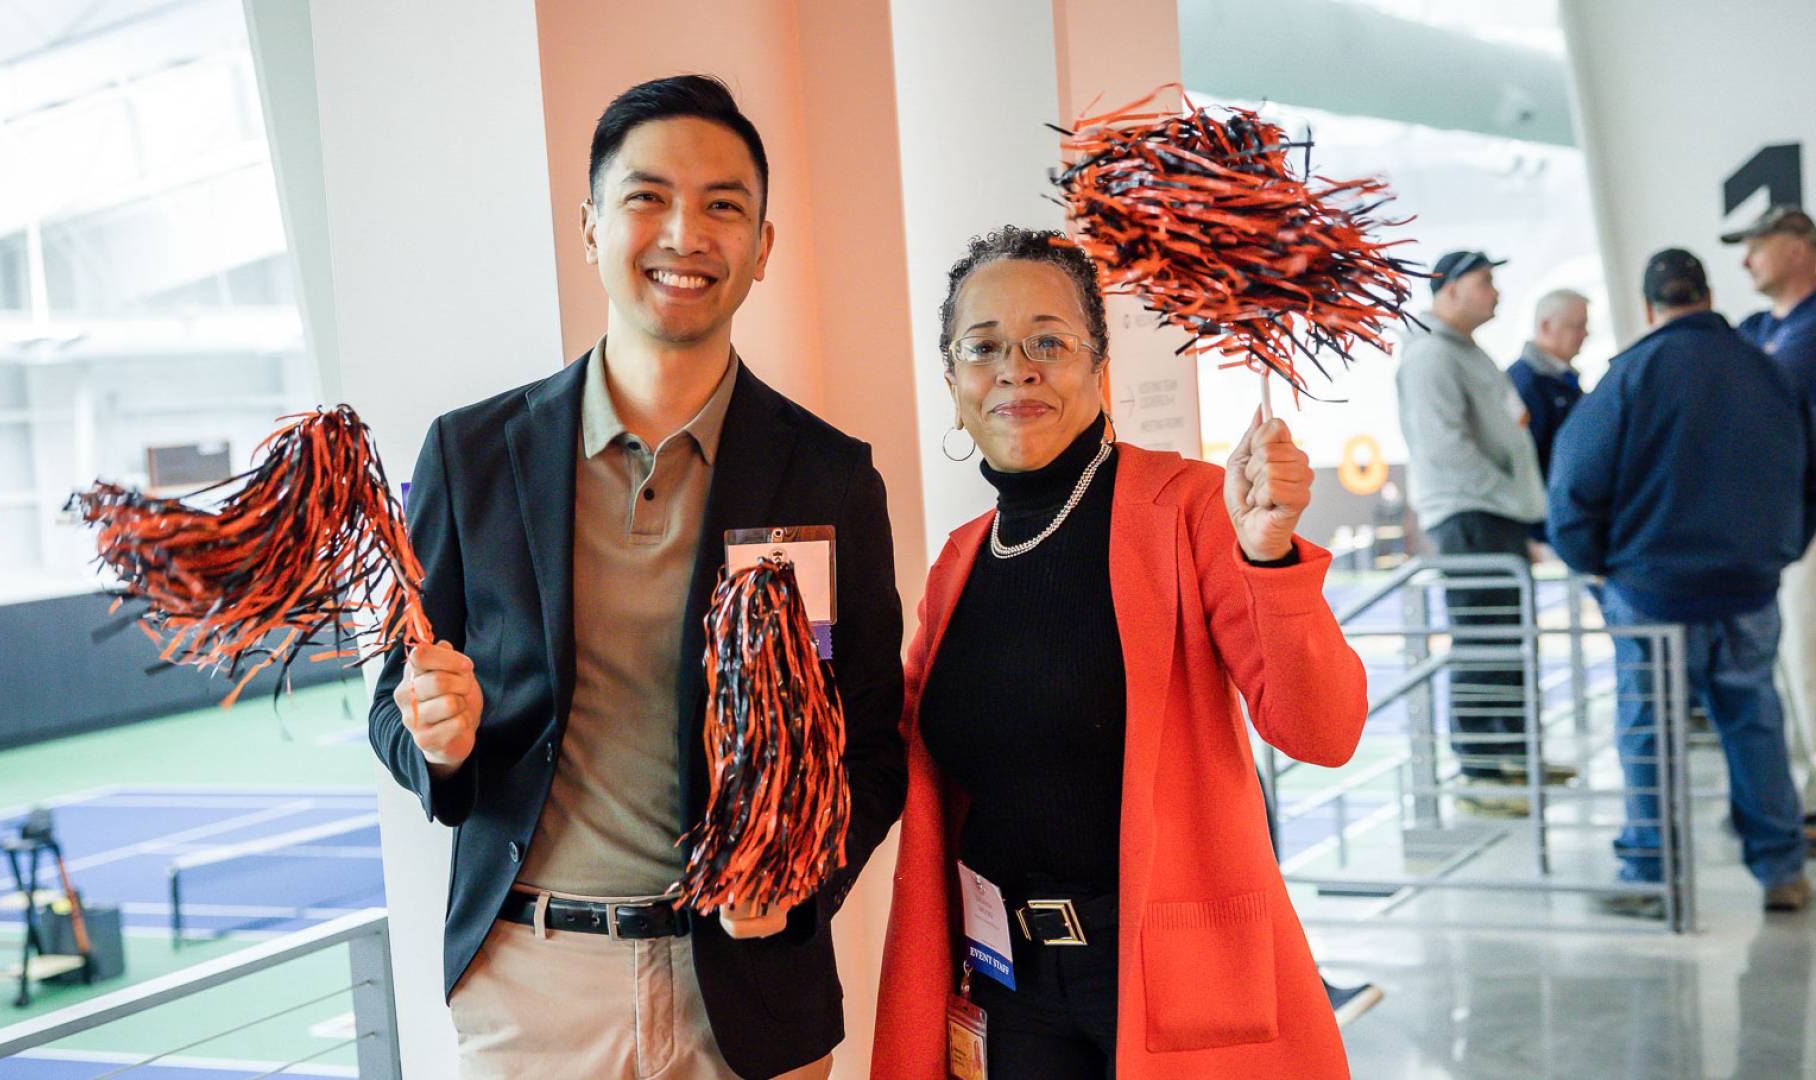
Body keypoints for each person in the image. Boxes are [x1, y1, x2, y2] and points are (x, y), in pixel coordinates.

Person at [366, 75, 906, 1079]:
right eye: (647, 198)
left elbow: (873, 743)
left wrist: (796, 885)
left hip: (752, 991)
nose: (684, 234)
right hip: (533, 984)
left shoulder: (828, 475)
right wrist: (433, 741)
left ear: (762, 249)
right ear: (590, 226)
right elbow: (396, 714)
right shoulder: (474, 454)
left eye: (723, 206)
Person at [870, 226, 1366, 1079]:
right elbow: (904, 766)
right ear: (953, 382)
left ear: (1099, 368)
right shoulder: (958, 562)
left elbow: (1322, 731)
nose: (1015, 368)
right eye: (983, 347)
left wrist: (1272, 557)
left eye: (1048, 343)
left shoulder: (1189, 509)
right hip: (1003, 979)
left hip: (1161, 975)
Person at [1548, 247, 1814, 916]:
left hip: (1653, 591)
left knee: (1649, 728)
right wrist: (1781, 551)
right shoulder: (1767, 368)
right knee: (1754, 721)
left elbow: (1573, 484)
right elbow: (1806, 475)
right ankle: (1782, 869)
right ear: (1708, 293)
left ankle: (1649, 871)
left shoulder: (1631, 375)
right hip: (1750, 588)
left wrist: (1593, 562)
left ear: (1647, 306)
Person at [1396, 251, 1571, 812]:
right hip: (1471, 516)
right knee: (1482, 641)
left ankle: (1514, 757)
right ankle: (1479, 774)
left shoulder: (1468, 354)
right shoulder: (1429, 359)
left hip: (1497, 513)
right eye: (1485, 282)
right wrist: (1508, 495)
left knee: (1508, 640)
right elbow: (1448, 450)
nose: (1497, 292)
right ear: (1448, 291)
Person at [1725, 205, 1816, 844]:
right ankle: (1803, 797)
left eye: (1758, 243)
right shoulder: (1757, 327)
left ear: (1799, 247)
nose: (1746, 258)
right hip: (1776, 528)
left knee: (1810, 661)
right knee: (1788, 667)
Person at [1507, 289, 1590, 499]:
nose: (1586, 334)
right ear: (1546, 326)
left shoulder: (1565, 381)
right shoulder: (1523, 384)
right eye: (1577, 326)